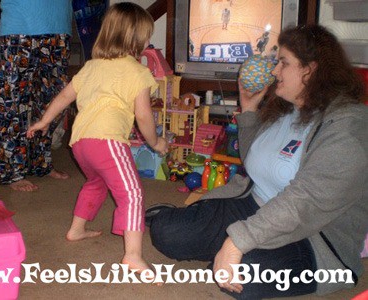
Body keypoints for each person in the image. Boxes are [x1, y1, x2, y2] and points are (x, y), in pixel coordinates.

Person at [147, 24, 367, 299]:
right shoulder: (289, 106)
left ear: (311, 70)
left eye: (283, 63)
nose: (274, 71)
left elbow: (305, 202)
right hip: (253, 206)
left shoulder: (348, 129)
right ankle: (211, 235)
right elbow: (255, 163)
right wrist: (249, 108)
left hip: (313, 237)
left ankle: (233, 248)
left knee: (246, 278)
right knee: (167, 233)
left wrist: (237, 242)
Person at [27, 2, 168, 274]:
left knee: (96, 183)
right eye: (147, 35)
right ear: (135, 39)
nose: (149, 40)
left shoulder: (92, 66)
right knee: (132, 193)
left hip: (80, 143)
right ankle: (133, 255)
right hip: (108, 142)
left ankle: (76, 229)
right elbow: (143, 117)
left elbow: (65, 97)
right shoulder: (138, 72)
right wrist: (156, 142)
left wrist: (45, 120)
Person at [0, 0, 72, 192]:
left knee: (54, 100)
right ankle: (13, 171)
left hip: (59, 26)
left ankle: (40, 163)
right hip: (18, 26)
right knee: (12, 102)